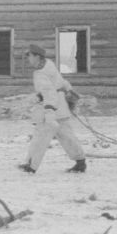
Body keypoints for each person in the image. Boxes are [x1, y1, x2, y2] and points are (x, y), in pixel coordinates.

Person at [18, 44, 86, 174]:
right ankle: (80, 162)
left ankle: (31, 166)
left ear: (37, 57)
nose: (28, 59)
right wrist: (69, 90)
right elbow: (60, 82)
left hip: (51, 108)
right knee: (66, 135)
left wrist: (49, 112)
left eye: (29, 56)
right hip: (60, 106)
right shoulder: (49, 64)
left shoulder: (41, 73)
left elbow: (49, 93)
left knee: (41, 135)